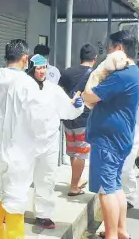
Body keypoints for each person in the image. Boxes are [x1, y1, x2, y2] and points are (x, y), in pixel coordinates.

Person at [0, 39, 53, 238]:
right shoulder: (27, 84)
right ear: (25, 58)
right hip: (18, 150)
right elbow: (40, 120)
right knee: (15, 201)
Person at [82, 30, 139, 239]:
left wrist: (98, 74)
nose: (107, 53)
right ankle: (120, 230)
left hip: (108, 139)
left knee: (106, 189)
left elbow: (90, 94)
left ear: (119, 49)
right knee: (116, 186)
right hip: (120, 137)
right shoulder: (134, 73)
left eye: (109, 49)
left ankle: (110, 235)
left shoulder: (121, 75)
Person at [26, 54, 84, 229]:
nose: (42, 71)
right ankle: (13, 211)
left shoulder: (54, 90)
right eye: (38, 68)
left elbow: (67, 110)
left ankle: (43, 215)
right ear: (30, 69)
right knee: (19, 178)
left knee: (47, 179)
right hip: (25, 141)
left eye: (44, 67)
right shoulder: (22, 88)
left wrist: (77, 105)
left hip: (49, 142)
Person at [59, 44, 98, 196]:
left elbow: (60, 92)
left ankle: (76, 180)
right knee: (81, 153)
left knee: (72, 151)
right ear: (94, 59)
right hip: (85, 119)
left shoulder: (67, 72)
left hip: (68, 117)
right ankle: (74, 186)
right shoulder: (95, 75)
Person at [121, 70, 139, 209]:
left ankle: (130, 197)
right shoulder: (129, 82)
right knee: (123, 165)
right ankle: (124, 195)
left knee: (126, 165)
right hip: (124, 129)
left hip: (135, 129)